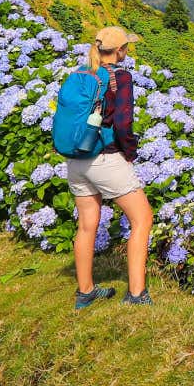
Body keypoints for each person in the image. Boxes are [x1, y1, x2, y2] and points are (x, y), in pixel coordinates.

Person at [67, 26, 155, 309]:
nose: (127, 51)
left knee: (86, 225)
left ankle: (86, 292)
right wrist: (129, 152)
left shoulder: (82, 72)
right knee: (142, 219)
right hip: (104, 158)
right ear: (119, 51)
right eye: (126, 47)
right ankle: (137, 294)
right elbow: (123, 123)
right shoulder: (120, 77)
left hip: (76, 159)